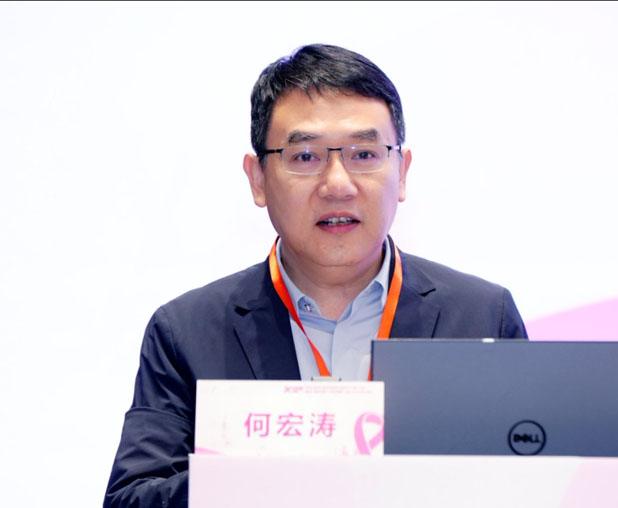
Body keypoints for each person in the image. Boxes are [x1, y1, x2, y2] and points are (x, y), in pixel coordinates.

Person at [104, 43, 527, 507]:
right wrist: (260, 473)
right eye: (306, 157)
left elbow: (533, 484)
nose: (338, 184)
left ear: (402, 172)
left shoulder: (482, 318)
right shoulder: (187, 331)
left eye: (364, 154)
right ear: (258, 179)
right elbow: (131, 498)